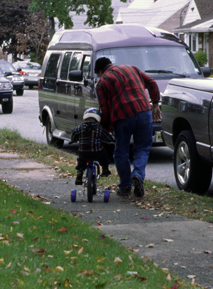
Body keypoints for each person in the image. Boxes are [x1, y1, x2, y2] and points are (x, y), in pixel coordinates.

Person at [94, 57, 161, 198]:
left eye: (98, 74)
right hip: (144, 112)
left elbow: (105, 110)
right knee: (142, 148)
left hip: (123, 116)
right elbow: (152, 83)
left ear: (100, 71)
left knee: (121, 152)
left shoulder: (102, 82)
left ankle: (125, 186)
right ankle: (137, 175)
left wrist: (105, 130)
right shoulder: (132, 68)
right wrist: (155, 104)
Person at [69, 108, 114, 185]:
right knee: (104, 156)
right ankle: (105, 169)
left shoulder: (79, 128)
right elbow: (108, 138)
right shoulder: (100, 128)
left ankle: (80, 172)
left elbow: (73, 135)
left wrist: (73, 140)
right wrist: (112, 141)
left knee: (81, 159)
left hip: (83, 153)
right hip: (97, 153)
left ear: (85, 118)